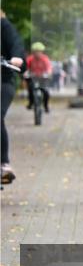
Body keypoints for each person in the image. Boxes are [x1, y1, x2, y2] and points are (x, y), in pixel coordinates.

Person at [1, 11, 25, 186]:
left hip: (3, 80)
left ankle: (4, 164)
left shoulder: (4, 26)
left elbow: (16, 43)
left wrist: (16, 57)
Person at [24, 42, 53, 113]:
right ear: (33, 52)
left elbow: (49, 68)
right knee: (30, 89)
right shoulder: (30, 59)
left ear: (41, 52)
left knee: (46, 92)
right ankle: (31, 103)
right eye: (35, 52)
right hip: (33, 77)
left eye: (39, 51)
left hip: (42, 78)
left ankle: (46, 106)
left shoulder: (45, 59)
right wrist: (25, 73)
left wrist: (48, 73)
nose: (37, 53)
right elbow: (26, 67)